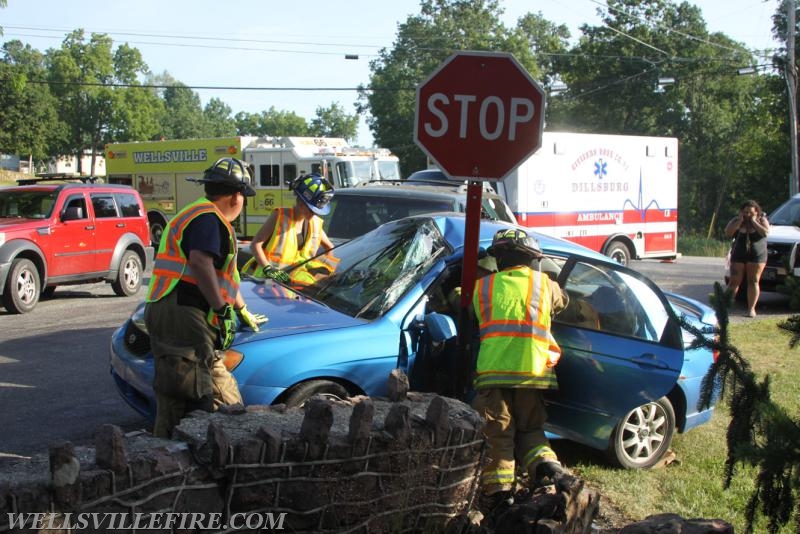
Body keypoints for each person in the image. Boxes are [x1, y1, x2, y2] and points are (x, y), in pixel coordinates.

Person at [144, 157, 268, 438]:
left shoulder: (198, 214)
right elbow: (201, 263)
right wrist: (222, 309)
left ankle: (164, 452)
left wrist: (241, 308)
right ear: (236, 195)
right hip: (183, 311)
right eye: (244, 197)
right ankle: (232, 447)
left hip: (166, 307)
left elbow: (224, 275)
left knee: (175, 388)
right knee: (218, 391)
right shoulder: (209, 219)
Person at [471, 228, 569, 513]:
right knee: (531, 431)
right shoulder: (545, 284)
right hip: (533, 373)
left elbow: (462, 305)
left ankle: (501, 497)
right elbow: (564, 303)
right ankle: (549, 469)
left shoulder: (484, 287)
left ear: (498, 259)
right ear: (532, 259)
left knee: (498, 435)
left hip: (494, 374)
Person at [246, 173, 338, 285]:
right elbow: (255, 245)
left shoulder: (314, 223)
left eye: (316, 211)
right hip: (265, 282)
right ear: (300, 203)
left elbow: (329, 247)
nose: (314, 214)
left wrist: (325, 270)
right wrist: (269, 269)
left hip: (292, 281)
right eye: (311, 210)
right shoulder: (279, 217)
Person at [725, 199, 770, 317]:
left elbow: (765, 233)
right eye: (745, 212)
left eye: (751, 212)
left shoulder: (762, 220)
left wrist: (754, 221)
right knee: (734, 281)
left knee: (753, 281)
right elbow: (728, 233)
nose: (748, 215)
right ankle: (724, 307)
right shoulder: (737, 221)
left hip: (757, 255)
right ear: (741, 212)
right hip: (739, 254)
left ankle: (751, 309)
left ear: (756, 212)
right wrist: (739, 221)